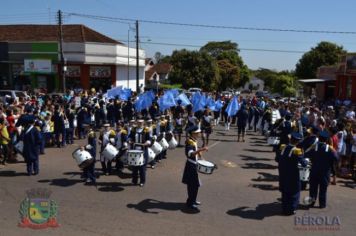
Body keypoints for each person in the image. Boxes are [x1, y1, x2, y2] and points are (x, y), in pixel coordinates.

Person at [275, 132, 306, 215]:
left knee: (284, 191)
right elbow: (304, 163)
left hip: (282, 172)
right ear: (297, 141)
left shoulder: (283, 147)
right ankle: (292, 209)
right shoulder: (297, 151)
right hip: (293, 174)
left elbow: (277, 159)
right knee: (295, 192)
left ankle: (284, 208)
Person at [308, 130, 339, 209]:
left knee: (313, 189)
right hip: (325, 173)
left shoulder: (314, 146)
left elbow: (307, 154)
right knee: (323, 190)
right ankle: (322, 204)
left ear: (319, 138)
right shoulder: (329, 149)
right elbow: (336, 158)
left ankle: (311, 203)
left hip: (314, 171)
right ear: (326, 139)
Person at [182, 126, 208, 211]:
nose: (199, 134)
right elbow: (190, 154)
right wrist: (201, 149)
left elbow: (196, 152)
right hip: (191, 166)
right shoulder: (189, 142)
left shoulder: (194, 141)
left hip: (194, 165)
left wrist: (201, 157)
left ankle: (192, 200)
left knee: (195, 185)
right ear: (193, 133)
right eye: (198, 133)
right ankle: (190, 203)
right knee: (192, 185)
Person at [129, 119, 152, 187]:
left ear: (143, 122)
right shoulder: (134, 129)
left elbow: (149, 138)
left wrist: (147, 142)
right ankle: (134, 180)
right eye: (138, 122)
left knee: (142, 167)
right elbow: (130, 136)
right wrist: (129, 140)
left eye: (141, 122)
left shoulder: (146, 129)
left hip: (143, 150)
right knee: (134, 167)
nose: (140, 123)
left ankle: (142, 181)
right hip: (135, 149)